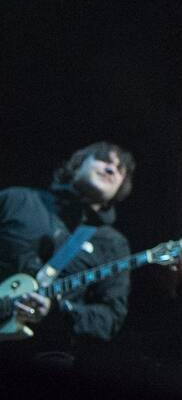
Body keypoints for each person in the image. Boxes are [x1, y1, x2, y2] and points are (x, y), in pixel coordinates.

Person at [0, 141, 137, 351]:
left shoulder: (113, 245)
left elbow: (110, 319)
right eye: (103, 160)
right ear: (77, 164)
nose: (111, 169)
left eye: (120, 170)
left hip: (41, 357)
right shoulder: (16, 200)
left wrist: (59, 311)